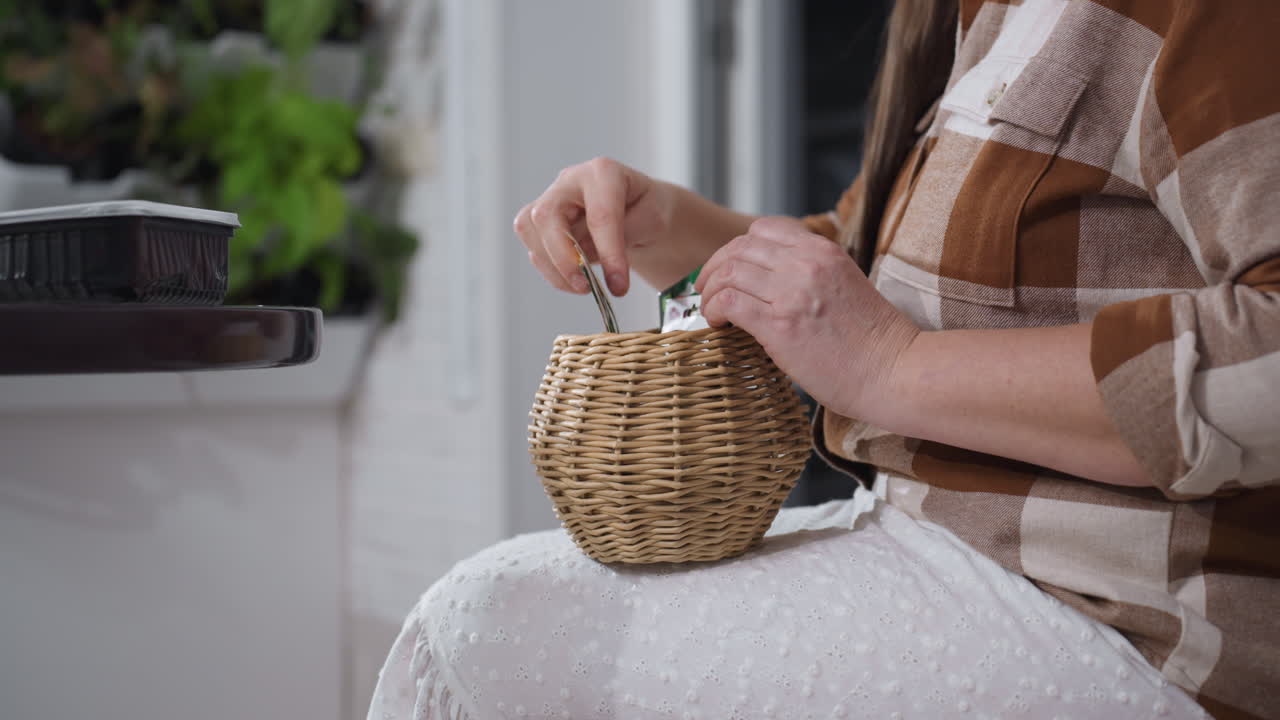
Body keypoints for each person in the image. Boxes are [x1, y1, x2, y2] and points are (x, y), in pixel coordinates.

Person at [369, 1, 1279, 718]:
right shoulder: (979, 19)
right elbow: (873, 278)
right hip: (934, 543)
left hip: (1141, 630)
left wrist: (895, 371)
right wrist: (668, 225)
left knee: (482, 631)